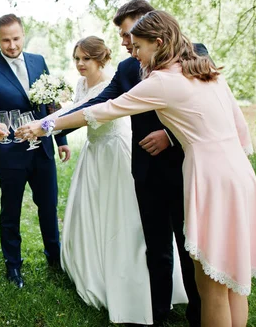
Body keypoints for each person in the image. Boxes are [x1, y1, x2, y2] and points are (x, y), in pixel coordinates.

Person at [18, 10, 256, 327]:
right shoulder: (206, 70)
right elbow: (240, 129)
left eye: (137, 46)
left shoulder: (162, 82)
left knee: (211, 287)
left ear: (159, 43)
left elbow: (102, 111)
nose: (133, 53)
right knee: (234, 279)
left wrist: (45, 126)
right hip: (240, 175)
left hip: (210, 178)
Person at [55, 0, 201, 326]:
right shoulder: (125, 69)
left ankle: (199, 313)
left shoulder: (193, 53)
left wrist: (169, 134)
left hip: (184, 169)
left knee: (191, 247)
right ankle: (158, 314)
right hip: (145, 171)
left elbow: (205, 108)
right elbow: (99, 103)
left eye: (127, 35)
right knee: (156, 248)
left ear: (149, 26)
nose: (123, 43)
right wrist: (50, 124)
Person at [56, 36, 155, 324]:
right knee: (88, 211)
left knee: (119, 215)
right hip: (94, 151)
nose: (80, 64)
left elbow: (86, 115)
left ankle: (125, 276)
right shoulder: (80, 84)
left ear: (102, 59)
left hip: (114, 151)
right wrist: (52, 124)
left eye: (86, 58)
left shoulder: (111, 84)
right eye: (77, 58)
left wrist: (47, 126)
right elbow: (72, 112)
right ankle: (88, 268)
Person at [0, 13, 71, 288]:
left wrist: (61, 139)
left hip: (42, 150)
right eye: (5, 40)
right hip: (11, 153)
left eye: (16, 38)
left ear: (23, 35)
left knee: (48, 205)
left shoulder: (38, 61)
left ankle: (54, 257)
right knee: (11, 211)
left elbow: (50, 105)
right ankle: (13, 266)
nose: (11, 45)